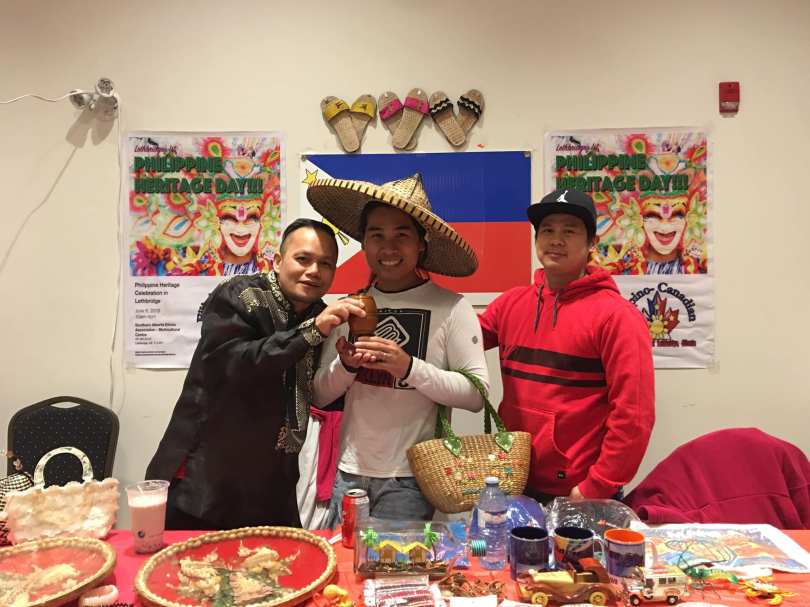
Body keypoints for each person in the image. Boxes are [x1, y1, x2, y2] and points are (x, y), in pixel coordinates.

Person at [145, 218, 367, 529]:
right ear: (277, 261)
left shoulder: (320, 315)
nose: (314, 271)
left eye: (325, 263)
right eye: (303, 259)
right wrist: (311, 332)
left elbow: (316, 393)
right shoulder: (239, 296)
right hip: (206, 477)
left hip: (273, 480)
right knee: (196, 559)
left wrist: (348, 363)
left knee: (278, 558)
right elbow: (234, 365)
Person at [306, 173, 489, 525]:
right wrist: (347, 366)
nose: (388, 248)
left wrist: (409, 367)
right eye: (376, 235)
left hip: (412, 477)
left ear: (421, 243)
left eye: (401, 235)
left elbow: (476, 394)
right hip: (349, 471)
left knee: (399, 562)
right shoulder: (349, 307)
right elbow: (320, 394)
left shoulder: (452, 307)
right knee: (345, 560)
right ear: (363, 243)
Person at [479, 189, 655, 504]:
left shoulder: (618, 317)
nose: (556, 240)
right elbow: (457, 342)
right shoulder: (511, 304)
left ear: (592, 243)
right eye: (547, 230)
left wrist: (595, 487)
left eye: (569, 231)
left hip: (580, 494)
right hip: (514, 483)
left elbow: (634, 416)